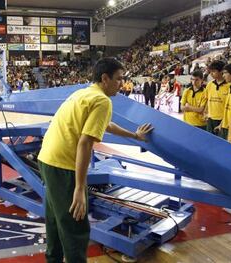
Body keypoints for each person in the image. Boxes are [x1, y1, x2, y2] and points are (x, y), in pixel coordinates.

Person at [37, 57, 153, 263]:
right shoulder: (102, 100)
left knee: (55, 217)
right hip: (63, 165)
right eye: (119, 79)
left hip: (46, 159)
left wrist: (135, 136)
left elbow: (107, 125)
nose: (122, 83)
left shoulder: (84, 93)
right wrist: (80, 188)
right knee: (75, 226)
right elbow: (84, 144)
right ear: (105, 78)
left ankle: (52, 259)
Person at [204, 60, 230, 135]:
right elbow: (207, 100)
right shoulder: (209, 84)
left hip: (223, 120)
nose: (211, 74)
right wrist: (206, 113)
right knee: (209, 141)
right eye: (210, 71)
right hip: (210, 119)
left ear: (221, 71)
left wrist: (224, 120)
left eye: (214, 71)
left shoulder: (229, 86)